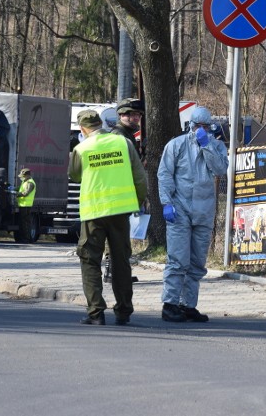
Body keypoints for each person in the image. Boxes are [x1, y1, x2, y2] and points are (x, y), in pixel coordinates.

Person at [69, 109, 147, 326]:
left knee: (89, 259)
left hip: (93, 213)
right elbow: (140, 177)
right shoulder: (123, 143)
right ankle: (123, 312)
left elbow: (74, 175)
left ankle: (96, 312)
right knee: (120, 261)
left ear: (83, 129)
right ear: (100, 124)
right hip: (120, 213)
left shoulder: (81, 148)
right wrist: (137, 202)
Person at [158, 106, 228, 322]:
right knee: (178, 260)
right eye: (198, 126)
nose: (201, 130)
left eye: (205, 126)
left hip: (204, 211)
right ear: (190, 126)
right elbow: (165, 175)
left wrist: (207, 146)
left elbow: (220, 170)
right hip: (180, 211)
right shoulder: (176, 145)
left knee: (197, 262)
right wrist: (166, 203)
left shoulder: (216, 146)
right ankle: (170, 304)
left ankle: (188, 305)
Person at [106, 97, 145, 282]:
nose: (136, 118)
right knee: (117, 238)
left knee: (119, 237)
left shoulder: (126, 135)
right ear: (122, 115)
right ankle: (115, 273)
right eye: (131, 114)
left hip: (121, 194)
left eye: (138, 115)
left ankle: (114, 272)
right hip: (117, 195)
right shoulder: (119, 136)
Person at [13, 168, 36, 243]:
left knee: (25, 223)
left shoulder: (30, 183)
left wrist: (16, 194)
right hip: (23, 205)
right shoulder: (25, 181)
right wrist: (13, 189)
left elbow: (26, 193)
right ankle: (26, 238)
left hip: (26, 205)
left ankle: (27, 239)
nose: (21, 177)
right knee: (24, 222)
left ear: (28, 175)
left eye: (23, 176)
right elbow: (20, 188)